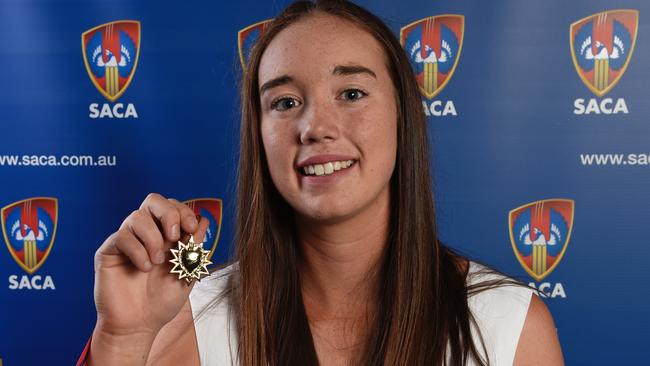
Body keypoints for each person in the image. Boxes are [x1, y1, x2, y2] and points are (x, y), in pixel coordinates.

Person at [81, 0, 564, 365]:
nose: (315, 126)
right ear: (260, 134)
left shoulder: (509, 324)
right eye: (285, 102)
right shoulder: (188, 317)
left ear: (404, 118)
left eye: (351, 93)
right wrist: (124, 339)